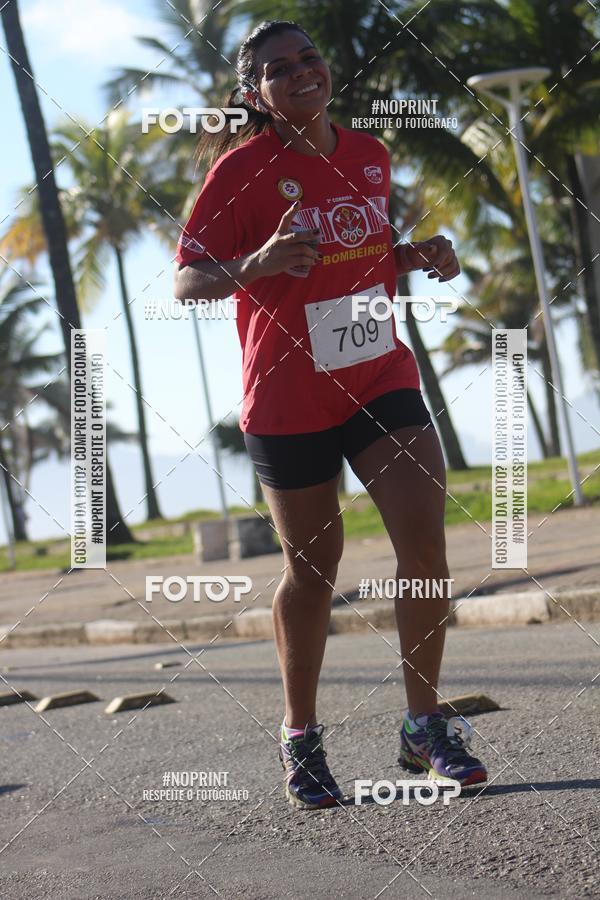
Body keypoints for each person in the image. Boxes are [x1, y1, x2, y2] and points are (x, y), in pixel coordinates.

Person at [174, 19, 487, 810]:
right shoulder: (240, 173)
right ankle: (301, 734)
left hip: (380, 374)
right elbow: (185, 283)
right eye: (279, 69)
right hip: (288, 396)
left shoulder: (368, 154)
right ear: (256, 95)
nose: (301, 72)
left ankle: (424, 724)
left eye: (309, 56)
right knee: (313, 575)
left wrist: (418, 256)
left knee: (424, 539)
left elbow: (367, 248)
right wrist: (253, 264)